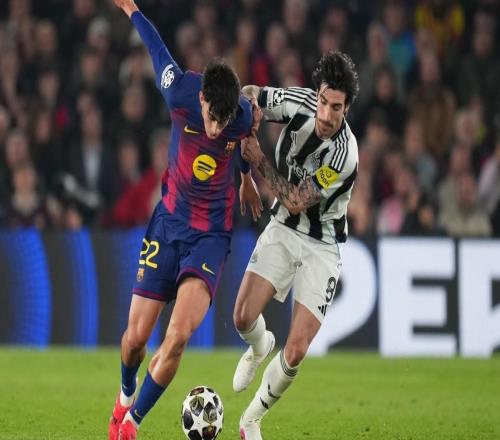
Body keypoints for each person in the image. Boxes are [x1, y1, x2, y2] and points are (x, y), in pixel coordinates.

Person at [109, 1, 263, 439]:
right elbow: (156, 48)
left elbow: (245, 134)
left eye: (223, 121)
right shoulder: (179, 91)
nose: (215, 129)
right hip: (168, 226)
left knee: (177, 336)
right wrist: (131, 8)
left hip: (210, 237)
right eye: (211, 117)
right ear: (201, 99)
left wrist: (247, 178)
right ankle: (125, 393)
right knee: (135, 339)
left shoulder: (240, 115)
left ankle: (131, 424)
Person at [233, 50, 360, 440]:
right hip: (283, 229)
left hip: (322, 244)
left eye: (335, 107)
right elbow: (249, 93)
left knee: (297, 349)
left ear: (347, 109)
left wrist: (257, 161)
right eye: (323, 101)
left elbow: (294, 200)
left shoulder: (344, 155)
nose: (325, 114)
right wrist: (251, 114)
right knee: (242, 318)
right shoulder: (298, 101)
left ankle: (251, 419)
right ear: (317, 94)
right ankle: (259, 346)